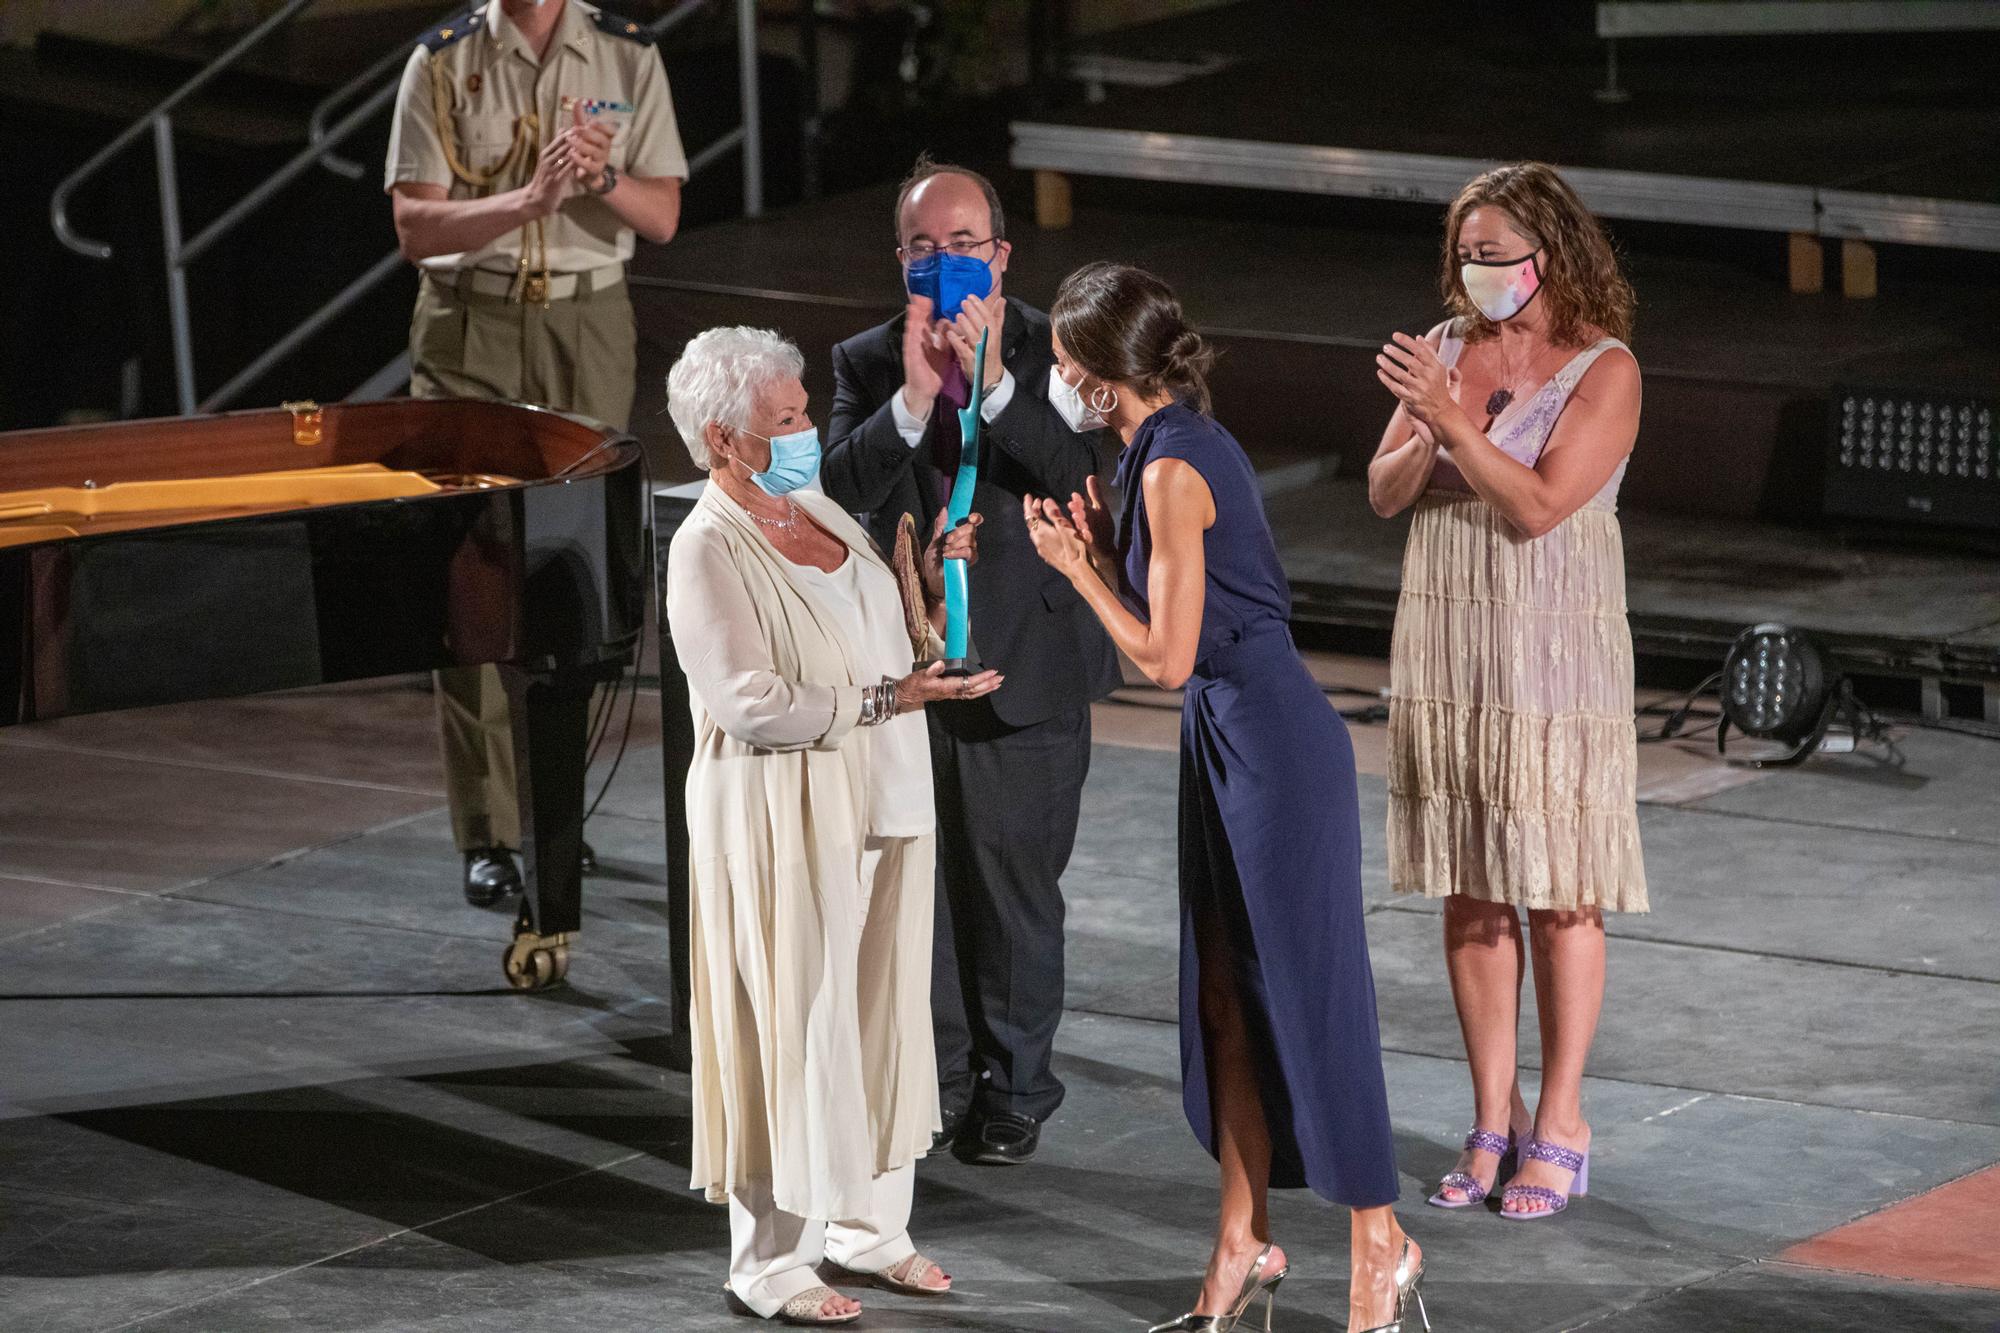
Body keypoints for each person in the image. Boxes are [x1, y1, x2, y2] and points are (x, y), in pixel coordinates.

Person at [1024, 263, 1426, 1333]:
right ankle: (1242, 1238)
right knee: (1221, 994)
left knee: (1308, 994)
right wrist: (1108, 553)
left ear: (1106, 376)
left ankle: (1379, 1237)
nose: (1055, 378)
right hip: (1221, 737)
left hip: (1273, 743)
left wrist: (1078, 572)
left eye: (1065, 365)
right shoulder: (1150, 450)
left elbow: (1162, 654)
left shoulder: (1171, 465)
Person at [664, 326, 999, 1325]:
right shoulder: (704, 548)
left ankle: (867, 1227)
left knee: (877, 1010)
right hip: (778, 811)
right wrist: (886, 701)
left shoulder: (811, 504)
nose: (809, 429)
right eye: (787, 418)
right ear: (724, 438)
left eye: (805, 408)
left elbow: (877, 636)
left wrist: (929, 572)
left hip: (882, 796)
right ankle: (770, 1261)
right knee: (791, 1020)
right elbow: (748, 701)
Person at [821, 157, 1120, 1164]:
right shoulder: (865, 361)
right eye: (919, 248)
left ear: (998, 255)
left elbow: (1085, 477)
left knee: (1010, 889)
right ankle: (938, 1075)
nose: (939, 265)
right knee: (920, 886)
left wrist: (990, 386)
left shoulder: (1060, 353)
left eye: (959, 247)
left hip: (1020, 665)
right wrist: (908, 402)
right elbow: (828, 492)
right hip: (906, 678)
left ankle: (1015, 1086)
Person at [1370, 160, 1648, 1221]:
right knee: (1471, 881)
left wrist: (1451, 424)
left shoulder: (1602, 369)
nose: (1475, 274)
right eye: (1464, 256)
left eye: (1493, 256)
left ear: (1549, 255)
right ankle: (1494, 1114)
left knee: (1556, 880)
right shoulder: (1441, 351)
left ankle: (1563, 1116)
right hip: (1451, 634)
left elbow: (1536, 506)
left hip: (1552, 640)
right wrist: (1427, 423)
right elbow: (1384, 488)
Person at [385, 0, 686, 905]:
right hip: (470, 324)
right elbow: (414, 227)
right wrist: (530, 199)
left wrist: (595, 181)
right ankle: (488, 829)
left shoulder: (627, 57)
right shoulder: (441, 62)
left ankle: (557, 807)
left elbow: (664, 213)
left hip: (586, 322)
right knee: (470, 571)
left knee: (574, 568)